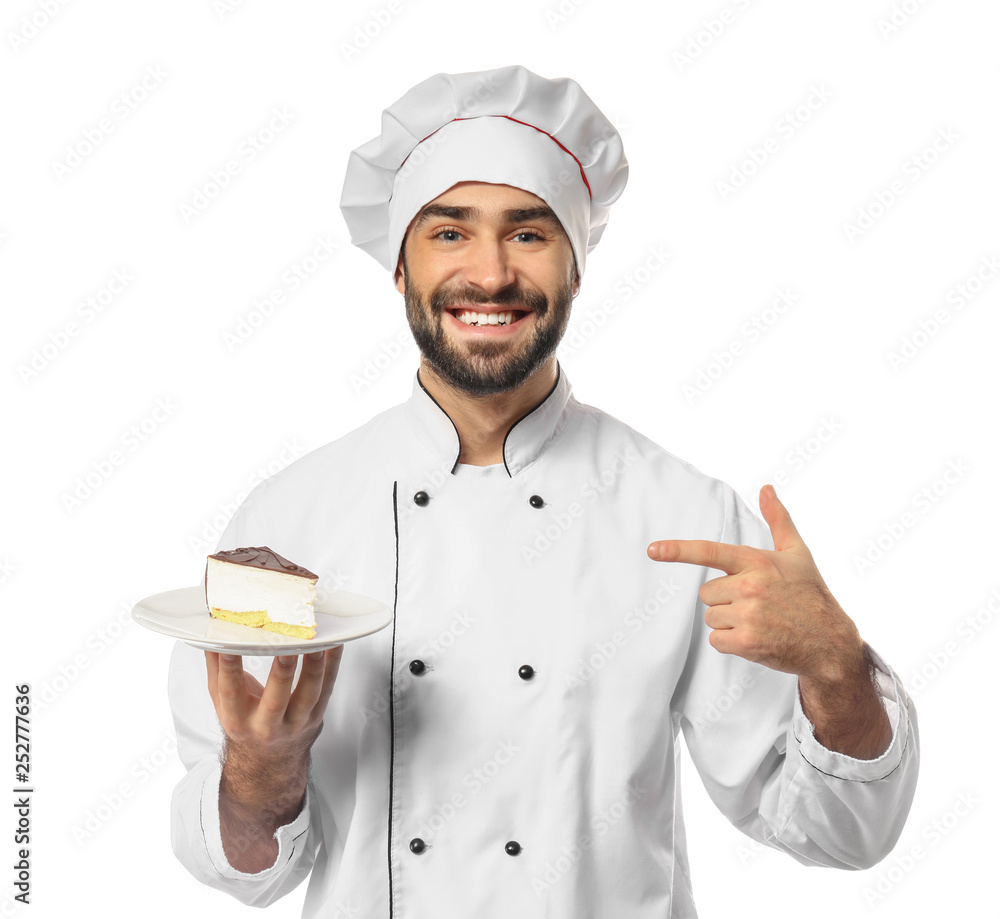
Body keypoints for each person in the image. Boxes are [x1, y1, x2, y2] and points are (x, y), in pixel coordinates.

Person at [168, 65, 919, 917]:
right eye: (449, 234)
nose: (489, 275)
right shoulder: (291, 521)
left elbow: (835, 833)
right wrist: (259, 777)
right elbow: (240, 868)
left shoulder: (681, 517)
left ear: (576, 267)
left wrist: (838, 668)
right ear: (399, 270)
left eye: (528, 234)